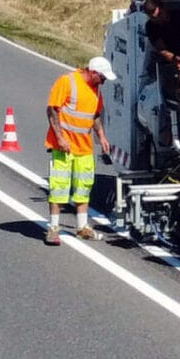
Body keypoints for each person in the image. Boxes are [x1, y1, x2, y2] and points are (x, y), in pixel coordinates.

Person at [44, 55, 114, 244]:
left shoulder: (97, 90)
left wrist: (102, 137)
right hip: (64, 147)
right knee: (59, 188)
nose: (104, 81)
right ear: (92, 72)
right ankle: (53, 228)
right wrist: (59, 137)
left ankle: (82, 227)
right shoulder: (67, 82)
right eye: (102, 77)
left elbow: (95, 116)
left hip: (84, 148)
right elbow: (52, 110)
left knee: (83, 188)